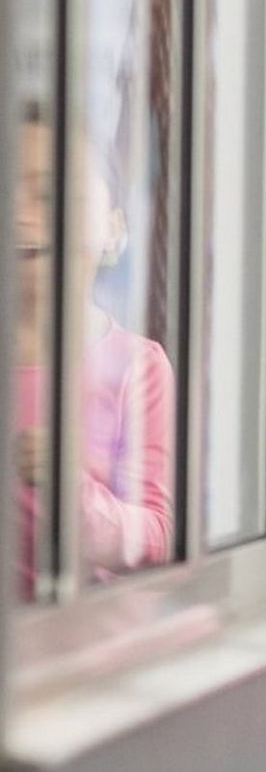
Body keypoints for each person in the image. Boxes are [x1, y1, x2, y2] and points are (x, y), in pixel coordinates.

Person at [13, 110, 175, 600]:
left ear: (113, 230)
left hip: (82, 650)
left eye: (51, 194)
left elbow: (157, 537)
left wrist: (70, 491)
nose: (20, 212)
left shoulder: (138, 368)